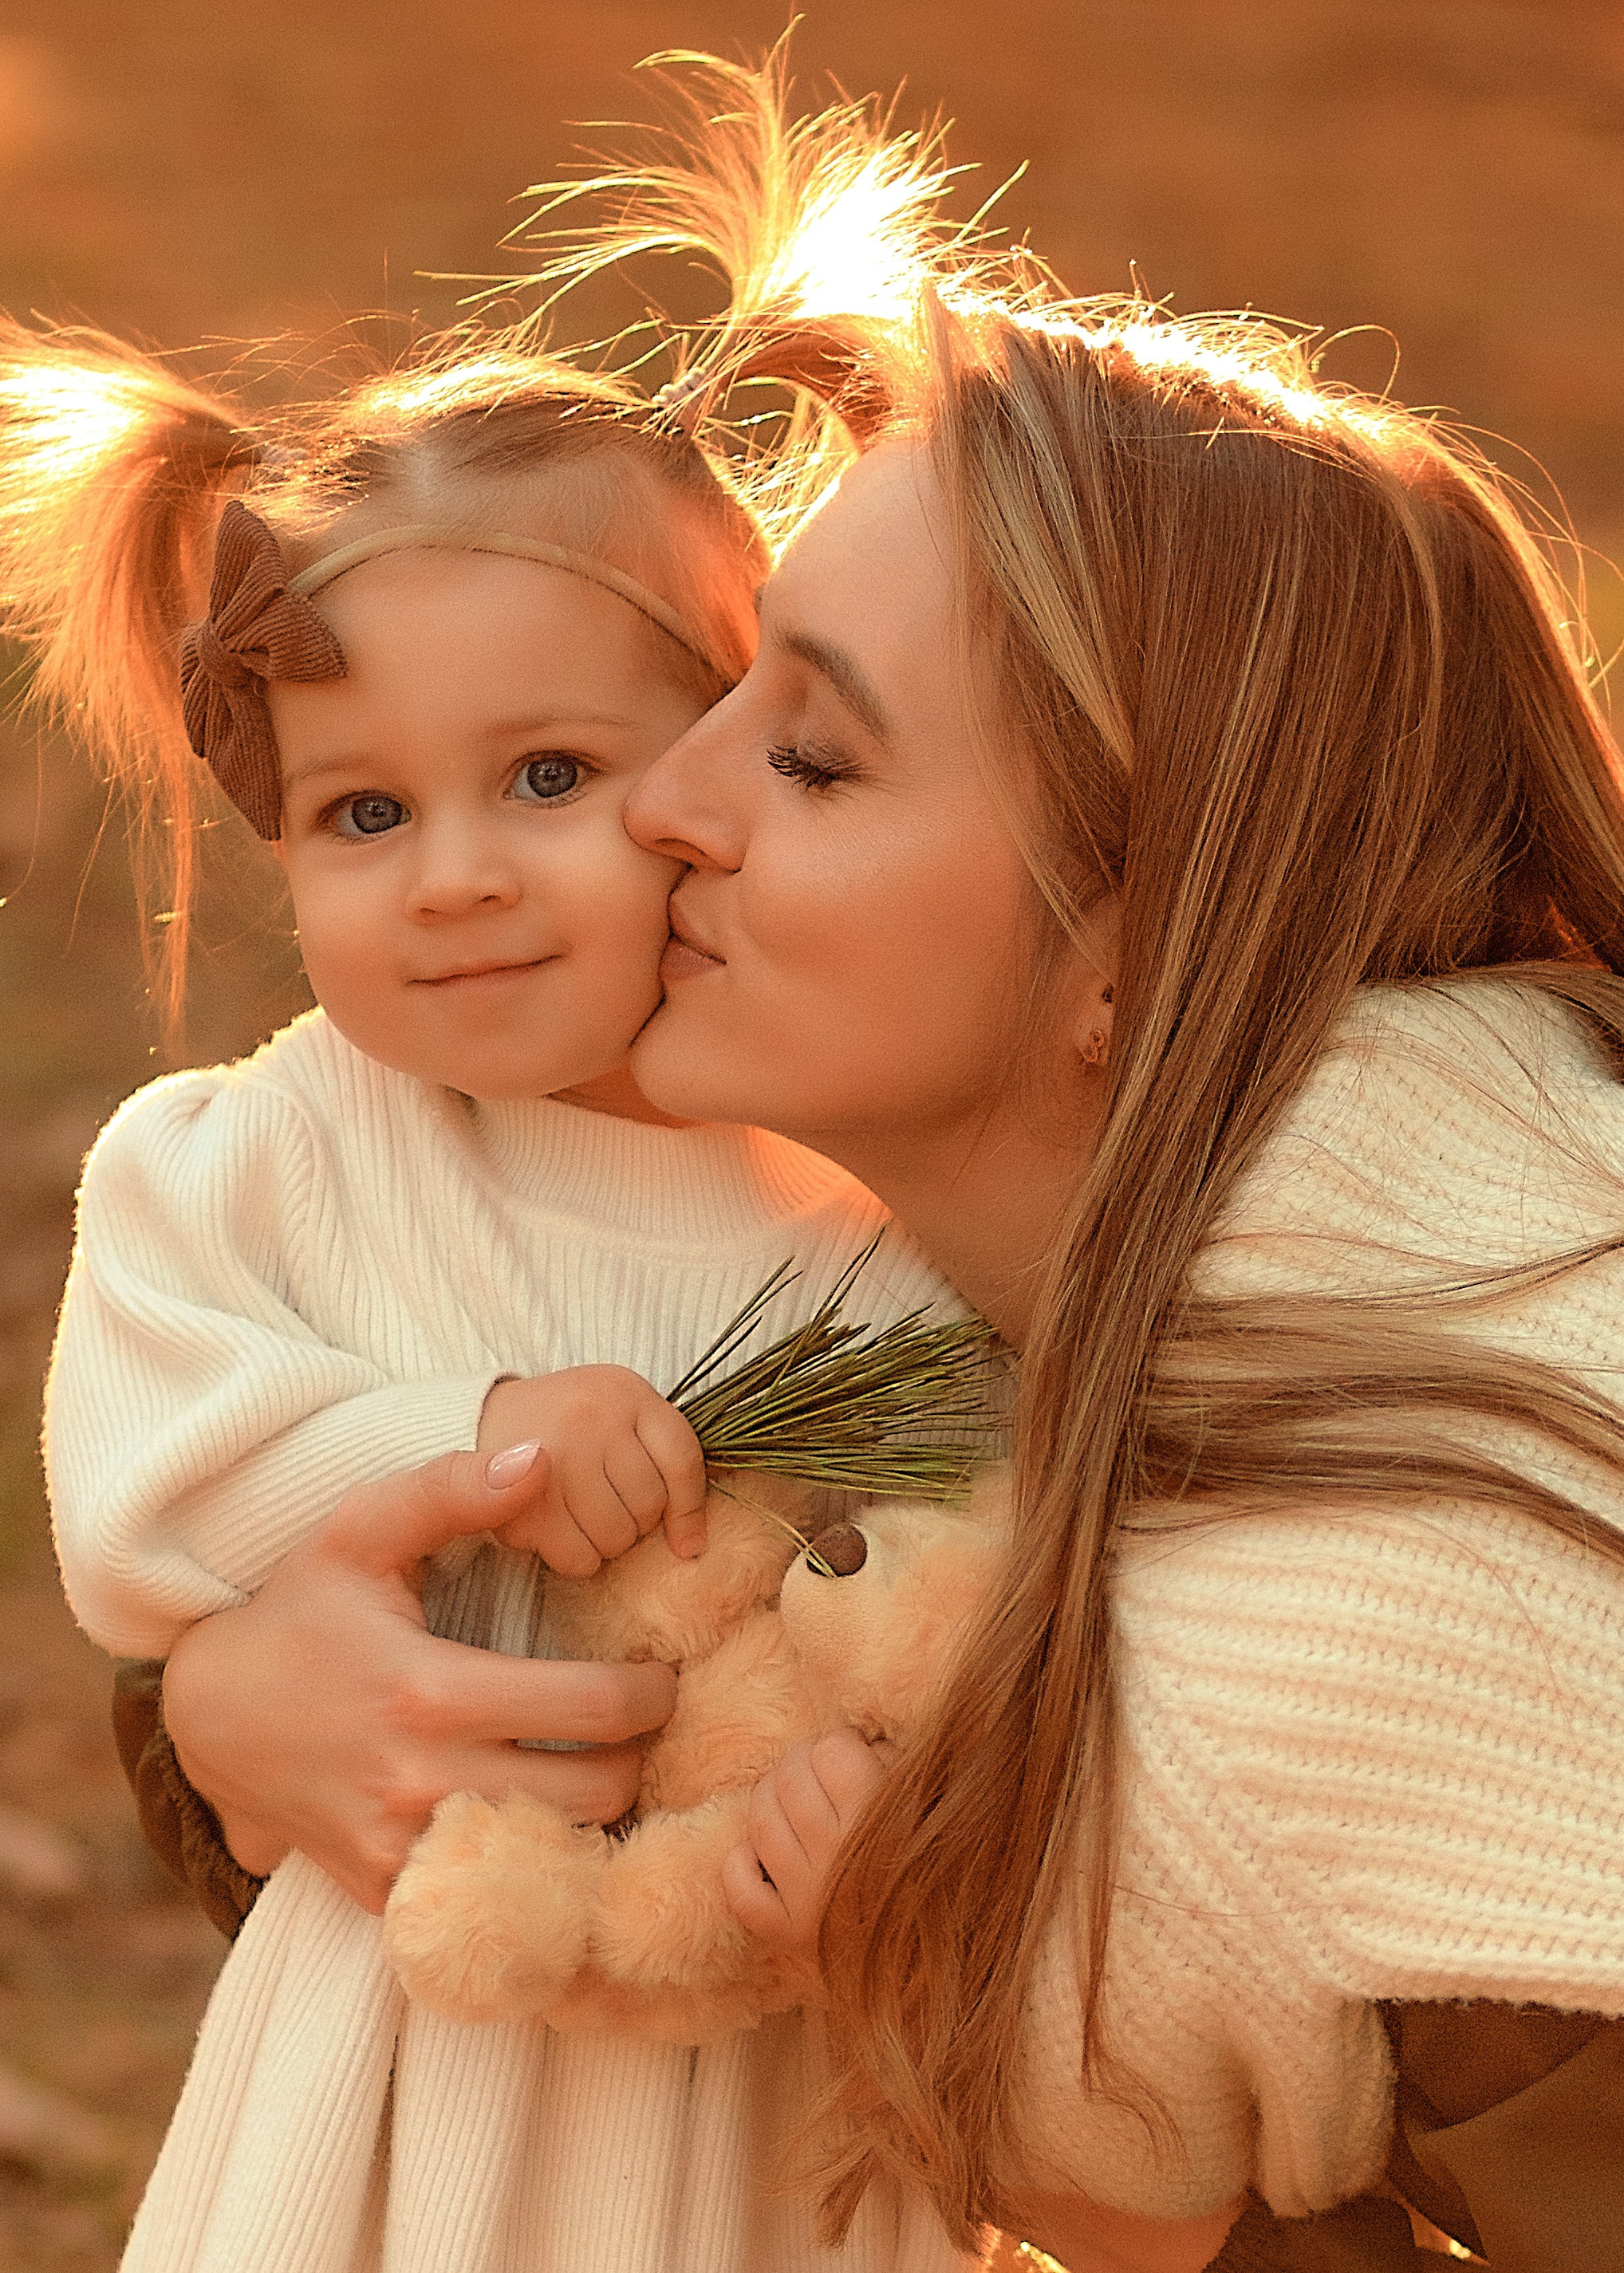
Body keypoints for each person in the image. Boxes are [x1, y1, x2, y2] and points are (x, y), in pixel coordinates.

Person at [122, 54, 1624, 2273]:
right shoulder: (1168, 1257)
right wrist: (220, 1720)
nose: (655, 808)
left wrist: (1011, 2077)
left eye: (808, 750)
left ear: (1129, 944)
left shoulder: (1409, 1598)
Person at [18, 305, 966, 2270]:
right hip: (388, 2086)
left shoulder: (885, 1193)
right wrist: (460, 1443)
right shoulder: (273, 1158)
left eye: (546, 775)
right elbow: (145, 1491)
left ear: (733, 758)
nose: (451, 876)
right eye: (364, 814)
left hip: (772, 2100)